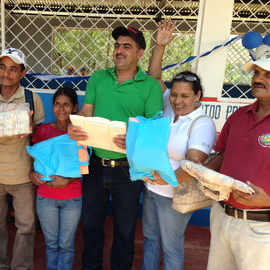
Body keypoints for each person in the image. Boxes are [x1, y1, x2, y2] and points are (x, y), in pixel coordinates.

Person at [68, 26, 163, 269]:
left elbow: (153, 131)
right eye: (117, 45)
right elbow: (86, 113)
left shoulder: (150, 86)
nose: (119, 50)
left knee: (124, 232)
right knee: (90, 227)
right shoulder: (98, 78)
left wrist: (135, 136)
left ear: (140, 53)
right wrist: (74, 126)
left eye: (127, 46)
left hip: (128, 171)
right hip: (95, 166)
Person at [142, 18, 216, 270]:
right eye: (174, 94)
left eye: (185, 96)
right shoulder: (168, 106)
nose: (177, 100)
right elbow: (154, 79)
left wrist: (165, 179)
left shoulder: (201, 123)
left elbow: (195, 163)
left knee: (171, 246)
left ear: (198, 96)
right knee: (151, 240)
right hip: (151, 190)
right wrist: (159, 47)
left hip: (173, 195)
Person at [0, 48, 45, 269]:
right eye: (3, 67)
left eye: (13, 69)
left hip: (22, 176)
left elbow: (39, 136)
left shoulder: (32, 98)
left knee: (26, 228)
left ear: (23, 72)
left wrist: (32, 130)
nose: (6, 74)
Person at [205, 44, 270, 270]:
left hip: (261, 228)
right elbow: (222, 155)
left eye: (267, 74)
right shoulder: (239, 115)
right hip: (222, 216)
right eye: (256, 73)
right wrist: (202, 174)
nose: (258, 79)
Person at [29, 87, 81, 270]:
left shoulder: (79, 133)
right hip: (45, 197)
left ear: (75, 107)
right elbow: (31, 158)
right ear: (52, 107)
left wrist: (68, 180)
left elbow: (85, 165)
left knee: (66, 246)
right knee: (51, 244)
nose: (61, 109)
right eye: (57, 104)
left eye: (66, 105)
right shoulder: (43, 131)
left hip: (72, 198)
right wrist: (31, 174)